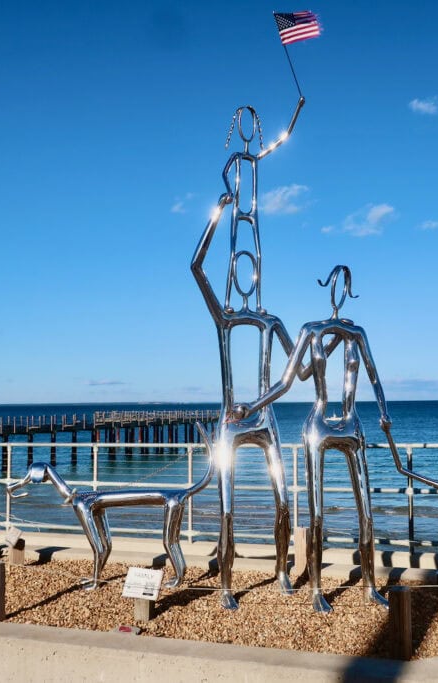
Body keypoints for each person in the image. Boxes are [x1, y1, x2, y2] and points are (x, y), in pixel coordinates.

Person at [190, 97, 304, 611]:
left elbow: (295, 369)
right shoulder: (225, 317)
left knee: (284, 501)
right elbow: (196, 267)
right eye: (239, 262)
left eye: (248, 263)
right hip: (232, 421)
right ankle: (228, 584)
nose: (243, 268)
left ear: (255, 267)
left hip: (263, 418)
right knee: (229, 507)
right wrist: (217, 211)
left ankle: (283, 573)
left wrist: (266, 399)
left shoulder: (269, 319)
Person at [231, 265, 389, 613]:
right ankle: (316, 588)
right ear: (329, 290)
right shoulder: (310, 330)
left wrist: (384, 411)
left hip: (352, 425)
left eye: (344, 286)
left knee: (366, 514)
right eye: (335, 285)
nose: (339, 293)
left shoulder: (356, 333)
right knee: (316, 514)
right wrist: (250, 408)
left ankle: (370, 586)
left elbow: (374, 377)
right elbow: (288, 382)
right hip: (317, 425)